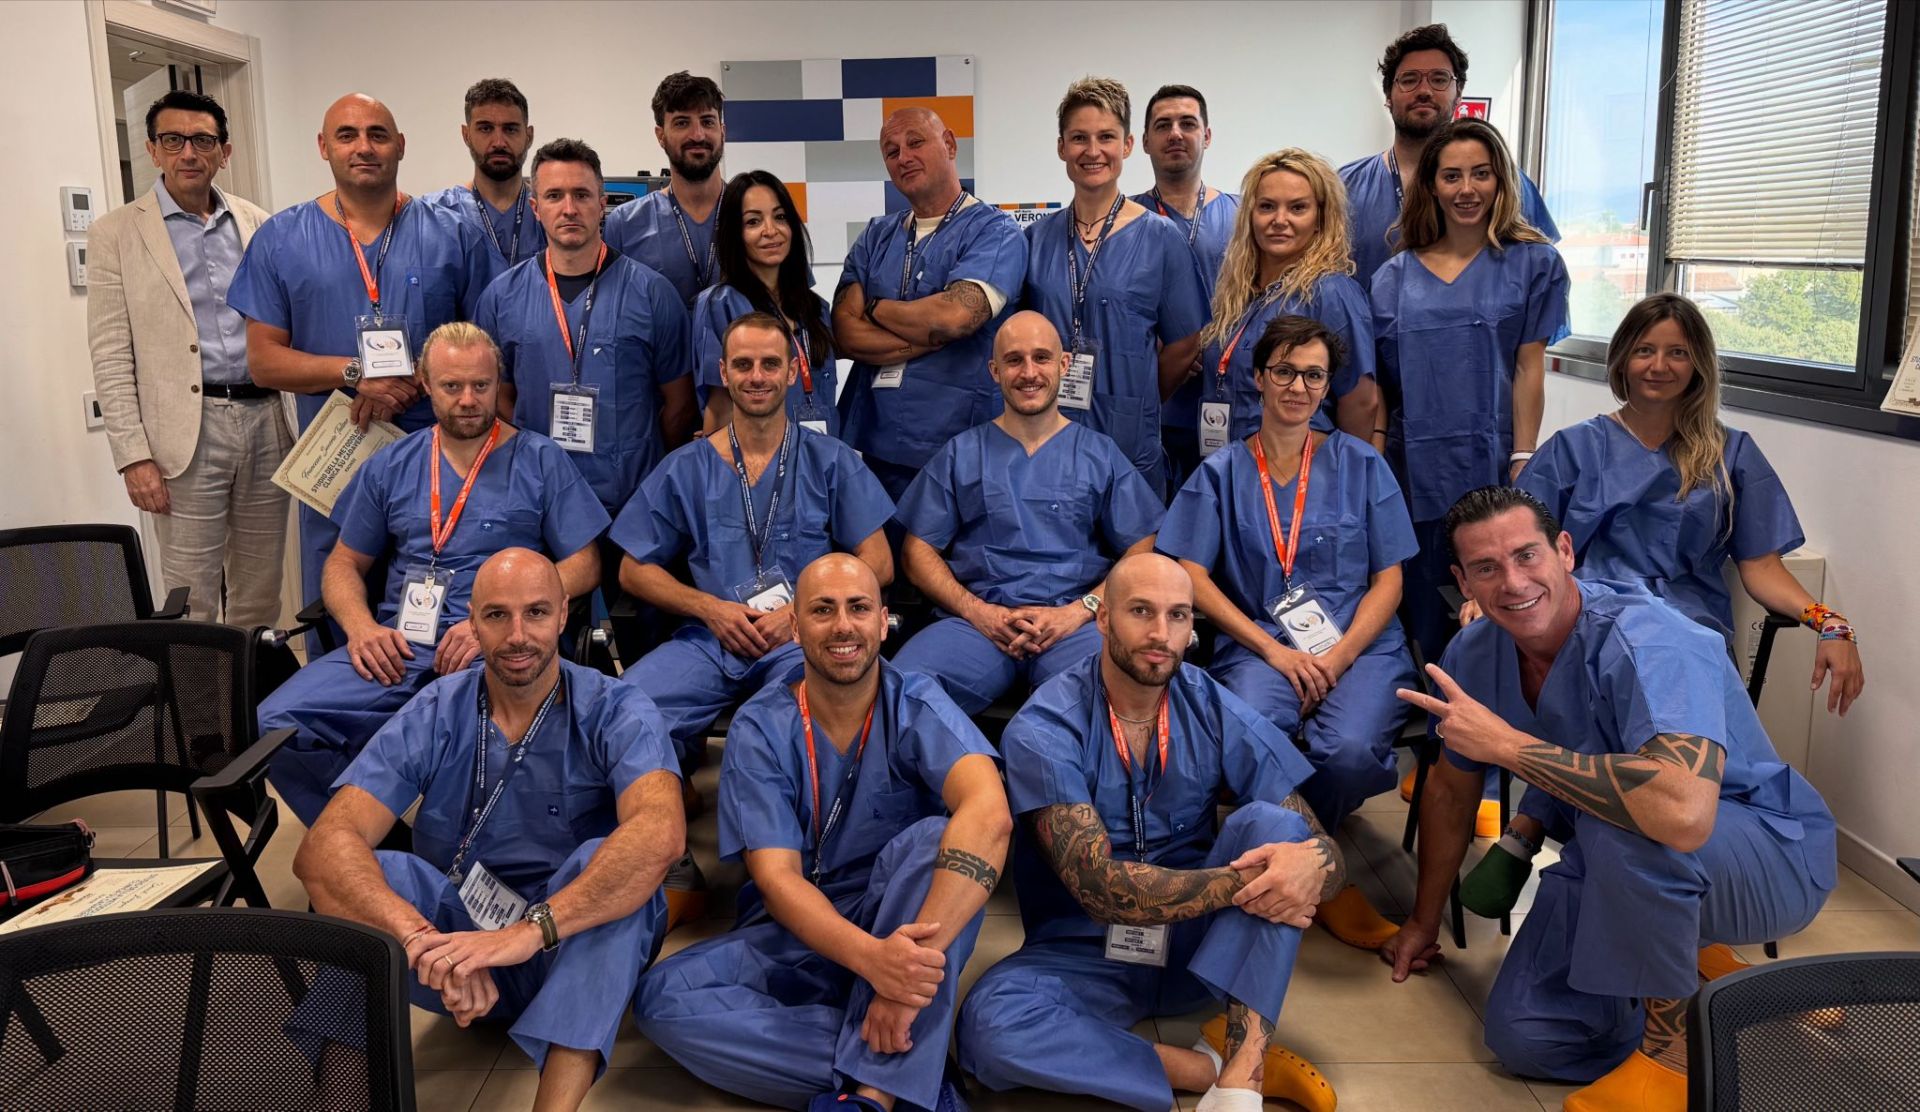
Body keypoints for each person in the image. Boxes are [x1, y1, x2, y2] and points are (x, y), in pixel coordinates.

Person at [1383, 487, 1834, 1112]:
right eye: (1486, 567)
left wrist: (1510, 748)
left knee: (1633, 817)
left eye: (1527, 555)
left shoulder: (1651, 640)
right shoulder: (1476, 653)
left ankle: (1671, 1060)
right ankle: (1714, 989)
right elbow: (1450, 793)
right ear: (1463, 582)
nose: (1512, 582)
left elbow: (1681, 814)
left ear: (1565, 551)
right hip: (1613, 861)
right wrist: (1421, 922)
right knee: (1528, 1039)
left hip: (1765, 850)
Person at [1458, 294, 1865, 917]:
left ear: (1698, 364)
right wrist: (1490, 602)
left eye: (1677, 352)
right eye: (1645, 350)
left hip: (1684, 632)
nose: (1659, 365)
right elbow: (1521, 547)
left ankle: (1532, 828)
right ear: (1622, 359)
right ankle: (1578, 856)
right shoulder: (1574, 449)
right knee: (1598, 683)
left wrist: (1831, 623)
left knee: (1655, 694)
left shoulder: (1729, 454)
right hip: (1583, 624)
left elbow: (1761, 568)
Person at [292, 548, 685, 1112]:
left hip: (567, 945)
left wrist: (525, 934)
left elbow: (661, 833)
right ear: (472, 623)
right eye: (497, 615)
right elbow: (324, 846)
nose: (518, 635)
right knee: (370, 877)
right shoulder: (438, 708)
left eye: (536, 613)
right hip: (458, 947)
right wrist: (420, 940)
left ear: (564, 614)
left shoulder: (616, 708)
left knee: (615, 871)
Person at [957, 553, 1341, 1112]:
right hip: (1084, 949)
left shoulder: (1209, 701)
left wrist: (1313, 863)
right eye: (1141, 611)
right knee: (988, 1027)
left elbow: (1326, 851)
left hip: (1197, 949)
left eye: (1178, 615)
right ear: (1103, 619)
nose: (1161, 633)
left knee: (1280, 830)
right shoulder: (1045, 726)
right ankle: (1205, 1068)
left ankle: (1246, 1069)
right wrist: (1259, 882)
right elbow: (1100, 891)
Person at [635, 554, 1009, 1112]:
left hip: (893, 918)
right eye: (822, 610)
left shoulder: (917, 703)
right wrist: (876, 966)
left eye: (858, 608)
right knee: (661, 1000)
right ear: (794, 626)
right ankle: (910, 1068)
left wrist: (898, 971)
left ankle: (875, 1091)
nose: (842, 626)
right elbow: (777, 881)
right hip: (796, 929)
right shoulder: (760, 726)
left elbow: (991, 813)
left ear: (883, 621)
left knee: (941, 840)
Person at [257, 322, 607, 826]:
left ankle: (451, 847)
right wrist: (361, 628)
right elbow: (343, 563)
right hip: (399, 649)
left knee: (464, 736)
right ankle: (362, 842)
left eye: (481, 385)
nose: (468, 400)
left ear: (498, 382)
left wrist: (494, 625)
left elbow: (585, 563)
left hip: (493, 650)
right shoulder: (392, 464)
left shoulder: (539, 460)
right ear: (424, 383)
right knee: (276, 722)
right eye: (451, 386)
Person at [1158, 316, 1413, 947]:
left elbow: (1389, 579)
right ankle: (1317, 873)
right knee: (1254, 731)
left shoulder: (1362, 465)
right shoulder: (1222, 472)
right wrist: (1274, 650)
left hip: (1360, 646)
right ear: (1258, 378)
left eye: (1313, 375)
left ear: (1327, 386)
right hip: (1260, 647)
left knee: (1349, 752)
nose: (1298, 387)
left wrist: (1340, 656)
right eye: (1284, 372)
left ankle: (1299, 859)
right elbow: (1190, 573)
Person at [230, 93, 499, 629]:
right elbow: (264, 362)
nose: (364, 147)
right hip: (338, 458)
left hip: (438, 456)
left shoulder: (453, 233)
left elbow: (487, 345)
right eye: (347, 135)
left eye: (378, 135)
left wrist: (420, 379)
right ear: (323, 146)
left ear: (400, 146)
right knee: (340, 605)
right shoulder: (281, 239)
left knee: (441, 604)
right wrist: (357, 373)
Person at [610, 312, 895, 771]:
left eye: (770, 364)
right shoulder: (687, 467)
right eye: (743, 365)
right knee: (625, 711)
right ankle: (673, 794)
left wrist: (799, 612)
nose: (757, 377)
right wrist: (709, 609)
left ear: (791, 371)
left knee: (792, 729)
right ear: (724, 373)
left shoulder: (831, 460)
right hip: (712, 640)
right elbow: (632, 569)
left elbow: (878, 561)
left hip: (799, 641)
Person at [1372, 116, 1569, 688]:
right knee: (1428, 609)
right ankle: (1444, 732)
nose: (1467, 189)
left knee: (1505, 603)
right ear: (1431, 185)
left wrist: (1523, 455)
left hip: (1494, 462)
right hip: (1413, 470)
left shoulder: (1533, 264)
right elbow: (1381, 386)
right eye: (1452, 175)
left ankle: (1504, 732)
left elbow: (1529, 366)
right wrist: (1375, 460)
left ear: (1501, 181)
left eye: (1481, 174)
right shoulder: (1392, 278)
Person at [892, 311, 1163, 713]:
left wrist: (1081, 611)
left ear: (1064, 364)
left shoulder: (1099, 454)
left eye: (1041, 358)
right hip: (977, 628)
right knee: (900, 691)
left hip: (1074, 628)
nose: (1029, 373)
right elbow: (917, 551)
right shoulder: (963, 453)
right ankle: (972, 757)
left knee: (1115, 695)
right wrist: (978, 612)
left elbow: (1143, 545)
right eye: (1014, 360)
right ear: (995, 371)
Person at [86, 90, 285, 625]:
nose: (189, 153)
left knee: (261, 593)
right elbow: (110, 353)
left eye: (202, 140)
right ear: (153, 150)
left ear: (225, 151)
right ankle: (199, 687)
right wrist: (133, 456)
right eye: (173, 140)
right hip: (186, 436)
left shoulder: (260, 224)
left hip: (267, 420)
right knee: (191, 600)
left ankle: (252, 682)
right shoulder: (116, 233)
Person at [474, 137, 695, 519]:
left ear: (601, 203)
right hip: (538, 499)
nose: (569, 209)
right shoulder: (501, 297)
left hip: (632, 504)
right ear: (535, 208)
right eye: (554, 196)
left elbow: (679, 404)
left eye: (581, 195)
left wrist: (632, 459)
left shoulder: (652, 294)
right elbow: (498, 397)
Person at [1022, 77, 1209, 494]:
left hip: (1129, 446)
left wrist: (1138, 399)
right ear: (1061, 147)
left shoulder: (1161, 238)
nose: (1093, 151)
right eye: (1079, 138)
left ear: (1126, 145)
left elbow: (1185, 342)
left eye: (1106, 137)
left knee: (1133, 534)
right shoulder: (1035, 240)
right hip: (1048, 436)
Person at [834, 106, 1029, 501]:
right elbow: (843, 332)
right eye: (891, 151)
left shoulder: (996, 232)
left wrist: (875, 308)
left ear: (950, 145)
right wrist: (923, 337)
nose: (903, 157)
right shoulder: (876, 236)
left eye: (915, 142)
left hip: (960, 449)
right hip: (877, 449)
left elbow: (954, 318)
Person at [1340, 23, 1559, 287]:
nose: (1424, 91)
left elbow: (1541, 279)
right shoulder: (1344, 186)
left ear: (1459, 93)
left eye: (1439, 79)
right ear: (1388, 94)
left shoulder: (1508, 183)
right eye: (1409, 80)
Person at [1202, 149, 1383, 456]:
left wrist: (1343, 472)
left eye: (1297, 208)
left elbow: (1361, 401)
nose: (1279, 220)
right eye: (1267, 206)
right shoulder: (1236, 294)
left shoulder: (1331, 293)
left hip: (1298, 469)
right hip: (1226, 462)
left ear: (1320, 219)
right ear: (1250, 216)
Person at [1131, 85, 1240, 486]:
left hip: (1229, 399)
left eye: (1187, 123)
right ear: (1145, 141)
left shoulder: (1243, 215)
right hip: (1154, 401)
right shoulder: (1125, 220)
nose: (1175, 133)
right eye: (1163, 125)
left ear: (1206, 136)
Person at [691, 170, 837, 437]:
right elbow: (721, 407)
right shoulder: (720, 305)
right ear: (735, 233)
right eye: (753, 221)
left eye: (780, 217)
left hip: (820, 453)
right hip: (758, 456)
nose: (771, 231)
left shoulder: (815, 308)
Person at [604, 71, 726, 309]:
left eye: (707, 121)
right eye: (682, 123)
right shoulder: (625, 224)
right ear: (660, 135)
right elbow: (612, 312)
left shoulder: (754, 214)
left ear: (723, 131)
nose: (697, 134)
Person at [421, 78, 545, 269]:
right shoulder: (435, 214)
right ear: (466, 135)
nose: (499, 142)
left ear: (528, 136)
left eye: (510, 129)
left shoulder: (551, 211)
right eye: (485, 129)